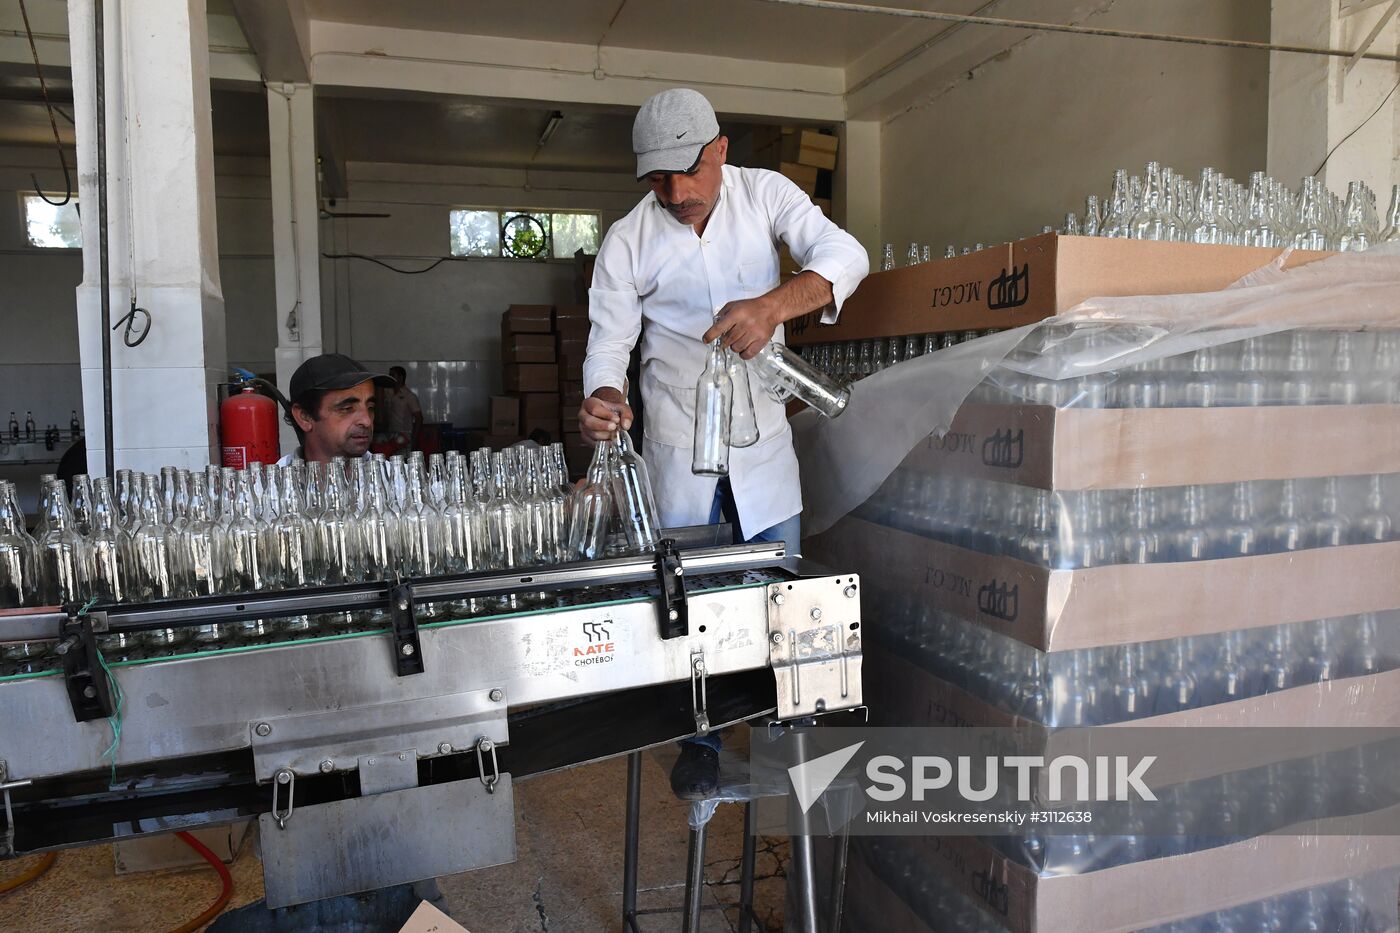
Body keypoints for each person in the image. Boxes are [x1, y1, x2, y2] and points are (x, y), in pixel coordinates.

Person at [578, 88, 869, 798]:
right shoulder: (629, 239)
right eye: (658, 179)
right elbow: (610, 344)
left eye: (689, 172)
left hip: (763, 444)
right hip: (682, 445)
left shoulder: (765, 194)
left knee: (786, 599)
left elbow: (845, 254)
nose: (676, 193)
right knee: (691, 604)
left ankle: (789, 743)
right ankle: (699, 741)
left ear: (721, 151)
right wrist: (605, 398)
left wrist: (773, 306)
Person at [278, 354, 394, 466]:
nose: (367, 421)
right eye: (347, 409)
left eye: (370, 408)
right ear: (304, 417)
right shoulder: (274, 483)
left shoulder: (396, 480)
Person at [377, 365, 423, 453]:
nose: (389, 377)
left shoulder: (409, 396)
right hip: (389, 436)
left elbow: (419, 418)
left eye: (392, 375)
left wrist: (415, 439)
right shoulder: (388, 394)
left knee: (403, 462)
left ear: (401, 377)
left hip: (404, 436)